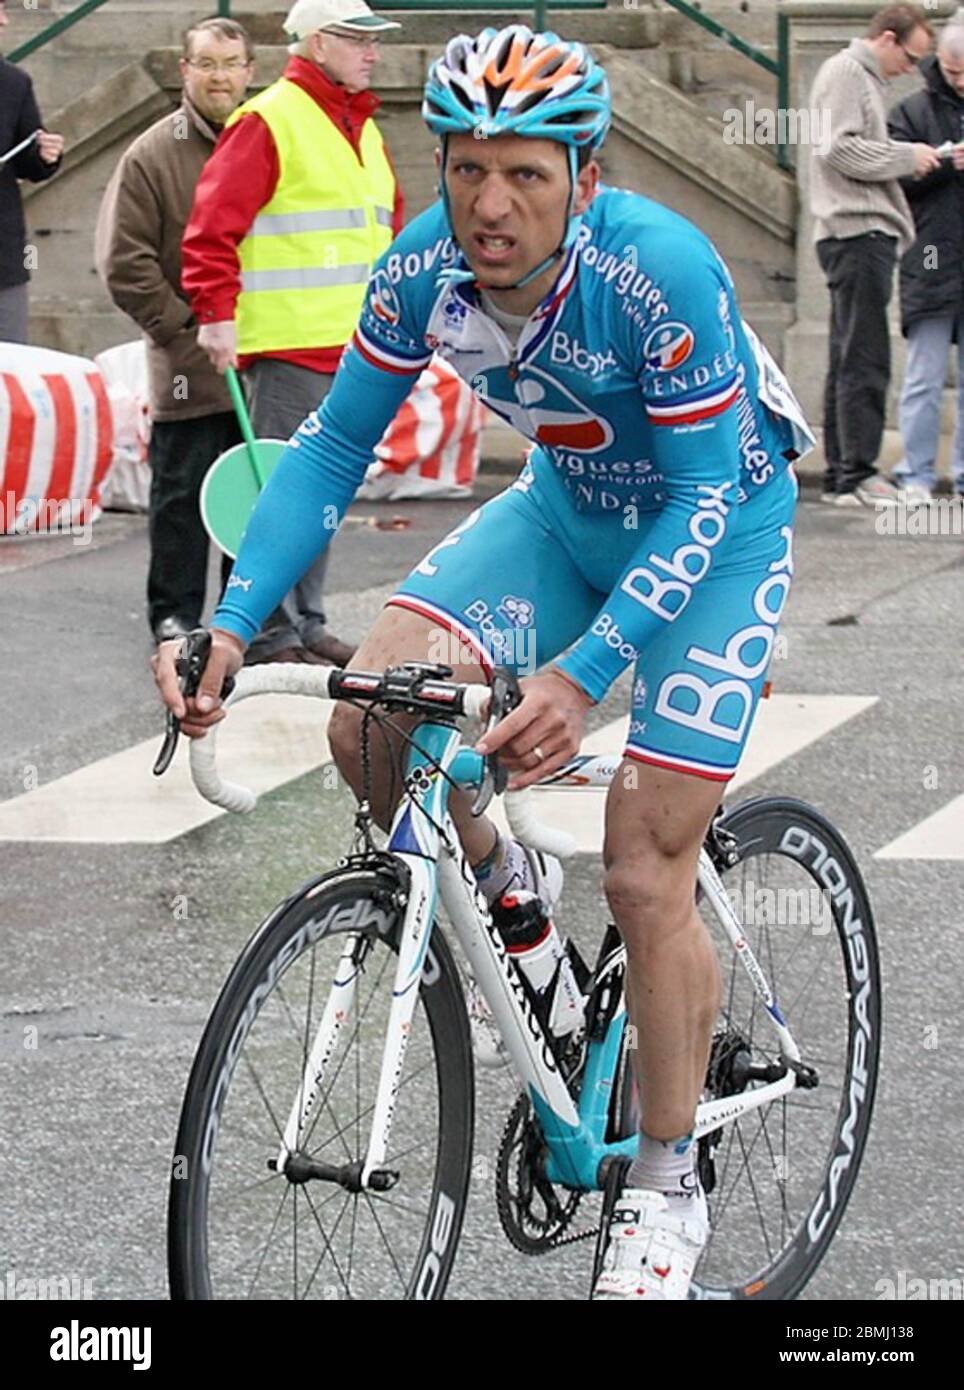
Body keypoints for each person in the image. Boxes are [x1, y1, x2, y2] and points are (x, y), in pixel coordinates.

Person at [155, 25, 815, 1301]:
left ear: (585, 171)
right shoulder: (423, 268)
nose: (490, 203)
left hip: (713, 530)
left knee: (641, 862)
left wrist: (581, 672)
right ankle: (510, 887)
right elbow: (334, 452)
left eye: (525, 172)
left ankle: (664, 1181)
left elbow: (693, 505)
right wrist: (229, 624)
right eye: (466, 169)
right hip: (564, 511)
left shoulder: (654, 269)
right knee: (372, 721)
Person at [180, 0, 405, 666]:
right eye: (359, 40)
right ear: (318, 43)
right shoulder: (272, 119)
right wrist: (216, 315)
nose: (373, 52)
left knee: (320, 493)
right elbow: (212, 226)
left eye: (373, 41)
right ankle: (269, 629)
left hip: (348, 349)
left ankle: (304, 621)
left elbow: (385, 229)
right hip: (288, 347)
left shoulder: (354, 125)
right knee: (282, 491)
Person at [96, 17, 254, 645]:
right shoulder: (151, 154)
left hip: (262, 359)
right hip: (187, 365)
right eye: (207, 64)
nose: (220, 77)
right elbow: (123, 262)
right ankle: (176, 615)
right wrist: (187, 330)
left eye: (231, 65)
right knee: (181, 495)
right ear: (184, 71)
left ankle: (250, 615)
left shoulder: (265, 141)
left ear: (250, 72)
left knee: (254, 495)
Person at [809, 3, 941, 506]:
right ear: (887, 39)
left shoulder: (855, 76)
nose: (912, 70)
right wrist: (909, 157)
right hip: (857, 229)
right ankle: (857, 473)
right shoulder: (847, 73)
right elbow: (838, 148)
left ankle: (845, 473)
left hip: (852, 231)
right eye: (911, 57)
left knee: (849, 352)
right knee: (864, 354)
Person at [888, 19, 964, 502]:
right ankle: (914, 474)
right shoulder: (912, 110)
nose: (960, 82)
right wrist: (938, 162)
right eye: (954, 72)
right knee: (923, 377)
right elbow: (891, 173)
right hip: (932, 257)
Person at [0, 0, 63, 343]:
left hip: (4, 267)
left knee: (8, 373)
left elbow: (28, 159)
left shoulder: (14, 83)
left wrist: (45, 155)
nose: (5, 22)